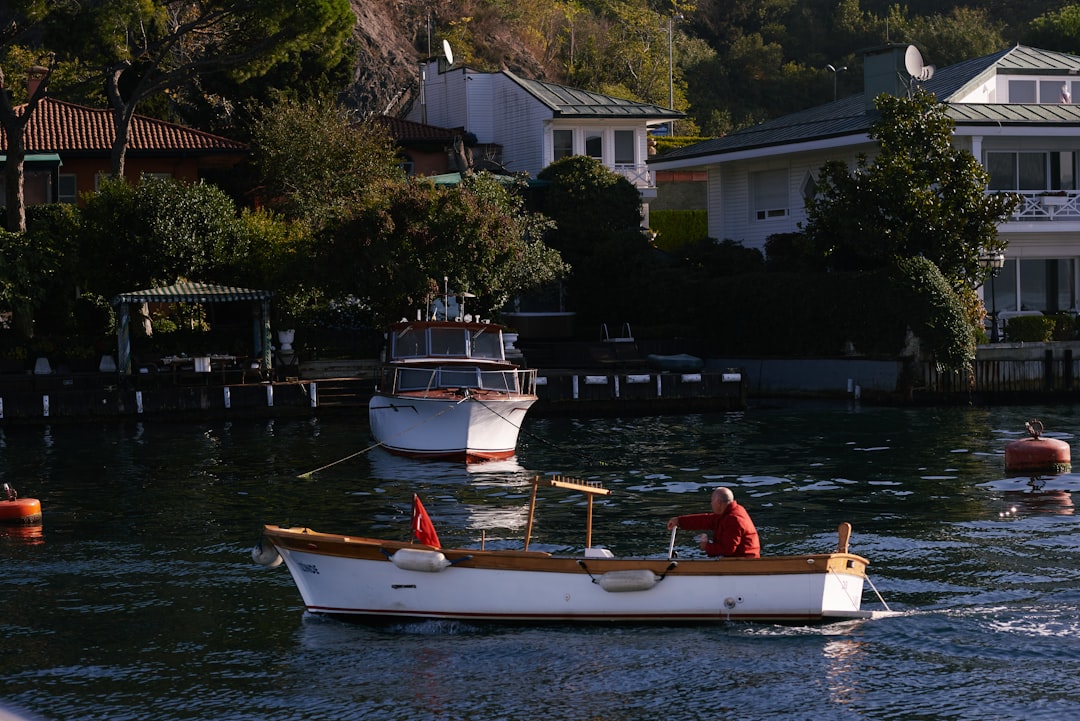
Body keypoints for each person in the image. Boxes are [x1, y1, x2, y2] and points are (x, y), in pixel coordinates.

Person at [666, 486, 760, 557]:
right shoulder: (732, 512)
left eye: (712, 501)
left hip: (744, 564)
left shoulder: (734, 519)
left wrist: (706, 546)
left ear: (719, 503)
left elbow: (727, 549)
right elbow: (706, 520)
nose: (711, 504)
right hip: (739, 560)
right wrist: (679, 521)